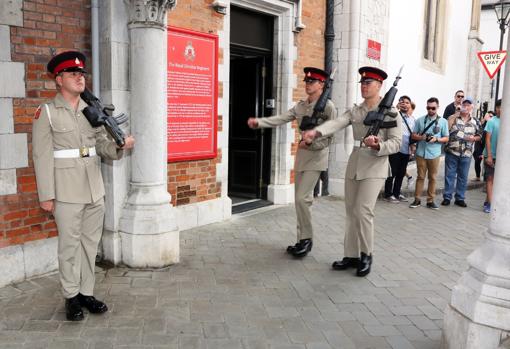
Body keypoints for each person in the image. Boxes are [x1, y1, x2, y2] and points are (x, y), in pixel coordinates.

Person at [32, 51, 135, 321]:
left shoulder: (92, 111)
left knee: (90, 245)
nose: (80, 77)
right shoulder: (47, 112)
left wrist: (119, 145)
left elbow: (102, 147)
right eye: (73, 73)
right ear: (59, 79)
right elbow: (41, 156)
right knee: (69, 246)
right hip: (65, 190)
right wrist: (47, 195)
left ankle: (86, 293)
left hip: (94, 187)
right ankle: (70, 297)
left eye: (82, 73)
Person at [302, 66, 402, 277]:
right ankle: (351, 255)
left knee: (364, 211)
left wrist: (378, 145)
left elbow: (396, 143)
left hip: (376, 164)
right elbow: (337, 123)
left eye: (369, 83)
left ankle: (366, 255)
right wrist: (315, 131)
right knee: (350, 211)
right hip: (356, 161)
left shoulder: (391, 112)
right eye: (362, 83)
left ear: (380, 85)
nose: (364, 87)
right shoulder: (356, 111)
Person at [247, 67, 336, 258]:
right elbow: (282, 118)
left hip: (316, 158)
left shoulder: (329, 107)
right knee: (300, 201)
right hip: (302, 157)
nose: (307, 84)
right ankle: (301, 239)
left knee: (302, 199)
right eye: (306, 81)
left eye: (311, 82)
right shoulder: (301, 106)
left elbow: (330, 138)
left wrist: (311, 143)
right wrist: (260, 122)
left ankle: (306, 239)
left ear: (321, 85)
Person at [409, 97, 449, 210]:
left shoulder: (443, 122)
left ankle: (430, 200)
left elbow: (446, 138)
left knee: (433, 178)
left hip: (435, 154)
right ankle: (417, 199)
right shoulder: (420, 120)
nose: (430, 110)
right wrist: (422, 137)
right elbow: (413, 135)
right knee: (420, 177)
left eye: (433, 108)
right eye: (428, 108)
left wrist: (436, 139)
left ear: (437, 107)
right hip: (421, 153)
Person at [441, 97, 482, 207]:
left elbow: (480, 135)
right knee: (449, 175)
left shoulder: (475, 121)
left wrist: (474, 138)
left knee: (463, 176)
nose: (466, 107)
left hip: (466, 153)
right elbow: (447, 129)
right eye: (464, 104)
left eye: (468, 105)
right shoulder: (453, 118)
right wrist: (457, 112)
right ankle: (447, 197)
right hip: (452, 151)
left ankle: (460, 198)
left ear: (472, 107)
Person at [383, 95, 415, 203]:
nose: (405, 104)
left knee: (401, 173)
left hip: (406, 149)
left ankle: (397, 193)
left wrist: (412, 148)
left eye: (407, 102)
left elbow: (412, 135)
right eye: (402, 102)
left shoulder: (412, 120)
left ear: (410, 105)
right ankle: (388, 194)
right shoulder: (395, 115)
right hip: (395, 148)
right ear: (399, 104)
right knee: (392, 172)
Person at [483, 99, 501, 213]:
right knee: (490, 179)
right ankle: (490, 203)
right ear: (496, 109)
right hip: (491, 155)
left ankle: (488, 200)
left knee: (498, 181)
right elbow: (488, 139)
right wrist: (489, 156)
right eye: (499, 107)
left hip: (503, 157)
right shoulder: (491, 121)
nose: (501, 109)